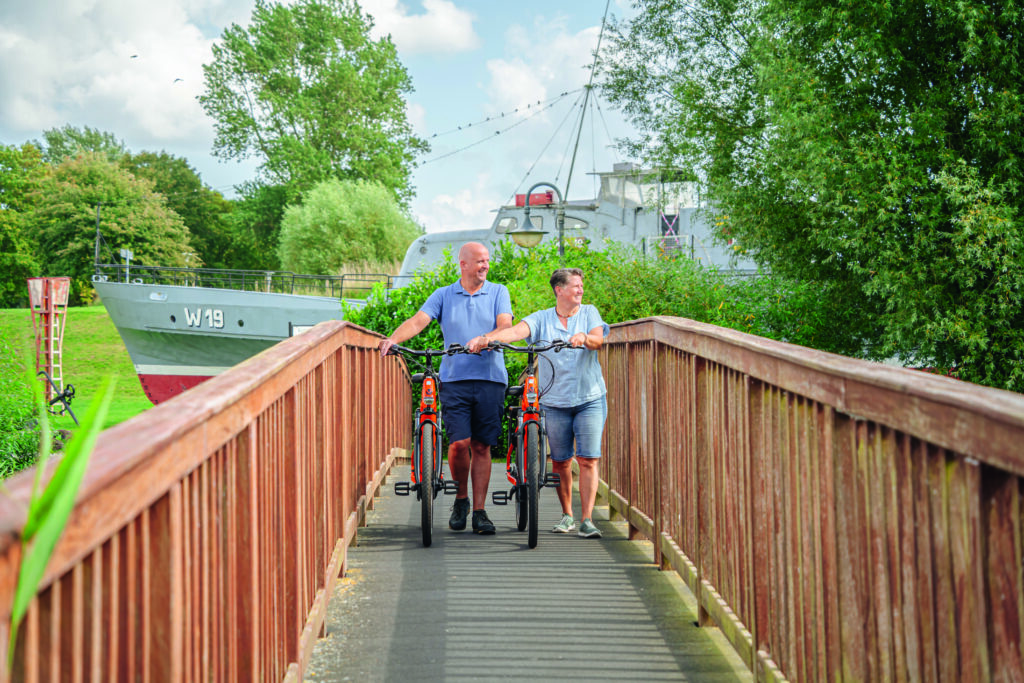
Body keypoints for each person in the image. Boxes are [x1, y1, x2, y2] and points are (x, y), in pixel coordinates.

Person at [379, 242, 513, 535]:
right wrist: (393, 340)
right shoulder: (444, 295)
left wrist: (485, 338)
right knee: (459, 443)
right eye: (479, 261)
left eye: (487, 261)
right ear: (463, 265)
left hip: (491, 377)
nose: (485, 266)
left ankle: (479, 512)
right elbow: (419, 320)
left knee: (481, 445)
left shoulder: (499, 292)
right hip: (454, 379)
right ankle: (460, 500)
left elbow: (505, 326)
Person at [466, 267, 609, 538]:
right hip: (554, 400)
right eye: (575, 286)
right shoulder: (542, 319)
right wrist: (488, 339)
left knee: (588, 459)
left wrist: (585, 338)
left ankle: (587, 519)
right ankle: (567, 515)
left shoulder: (589, 312)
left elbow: (599, 339)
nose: (580, 290)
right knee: (561, 461)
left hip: (589, 397)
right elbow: (518, 331)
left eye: (581, 286)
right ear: (559, 290)